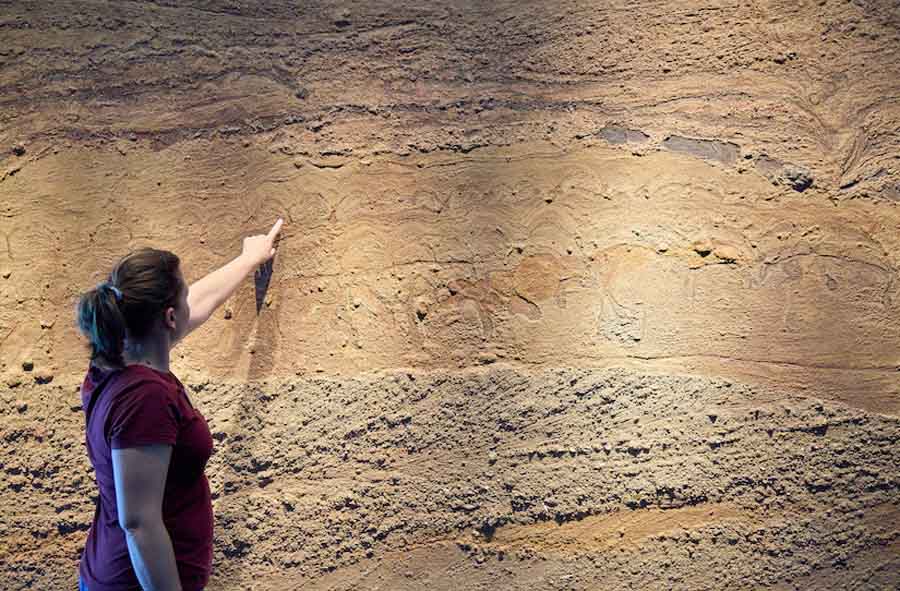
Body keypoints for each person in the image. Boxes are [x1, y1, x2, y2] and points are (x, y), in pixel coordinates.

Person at [74, 218, 284, 591]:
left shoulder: (115, 359)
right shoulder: (145, 398)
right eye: (182, 297)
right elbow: (139, 523)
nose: (191, 301)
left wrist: (247, 261)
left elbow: (195, 303)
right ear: (168, 317)